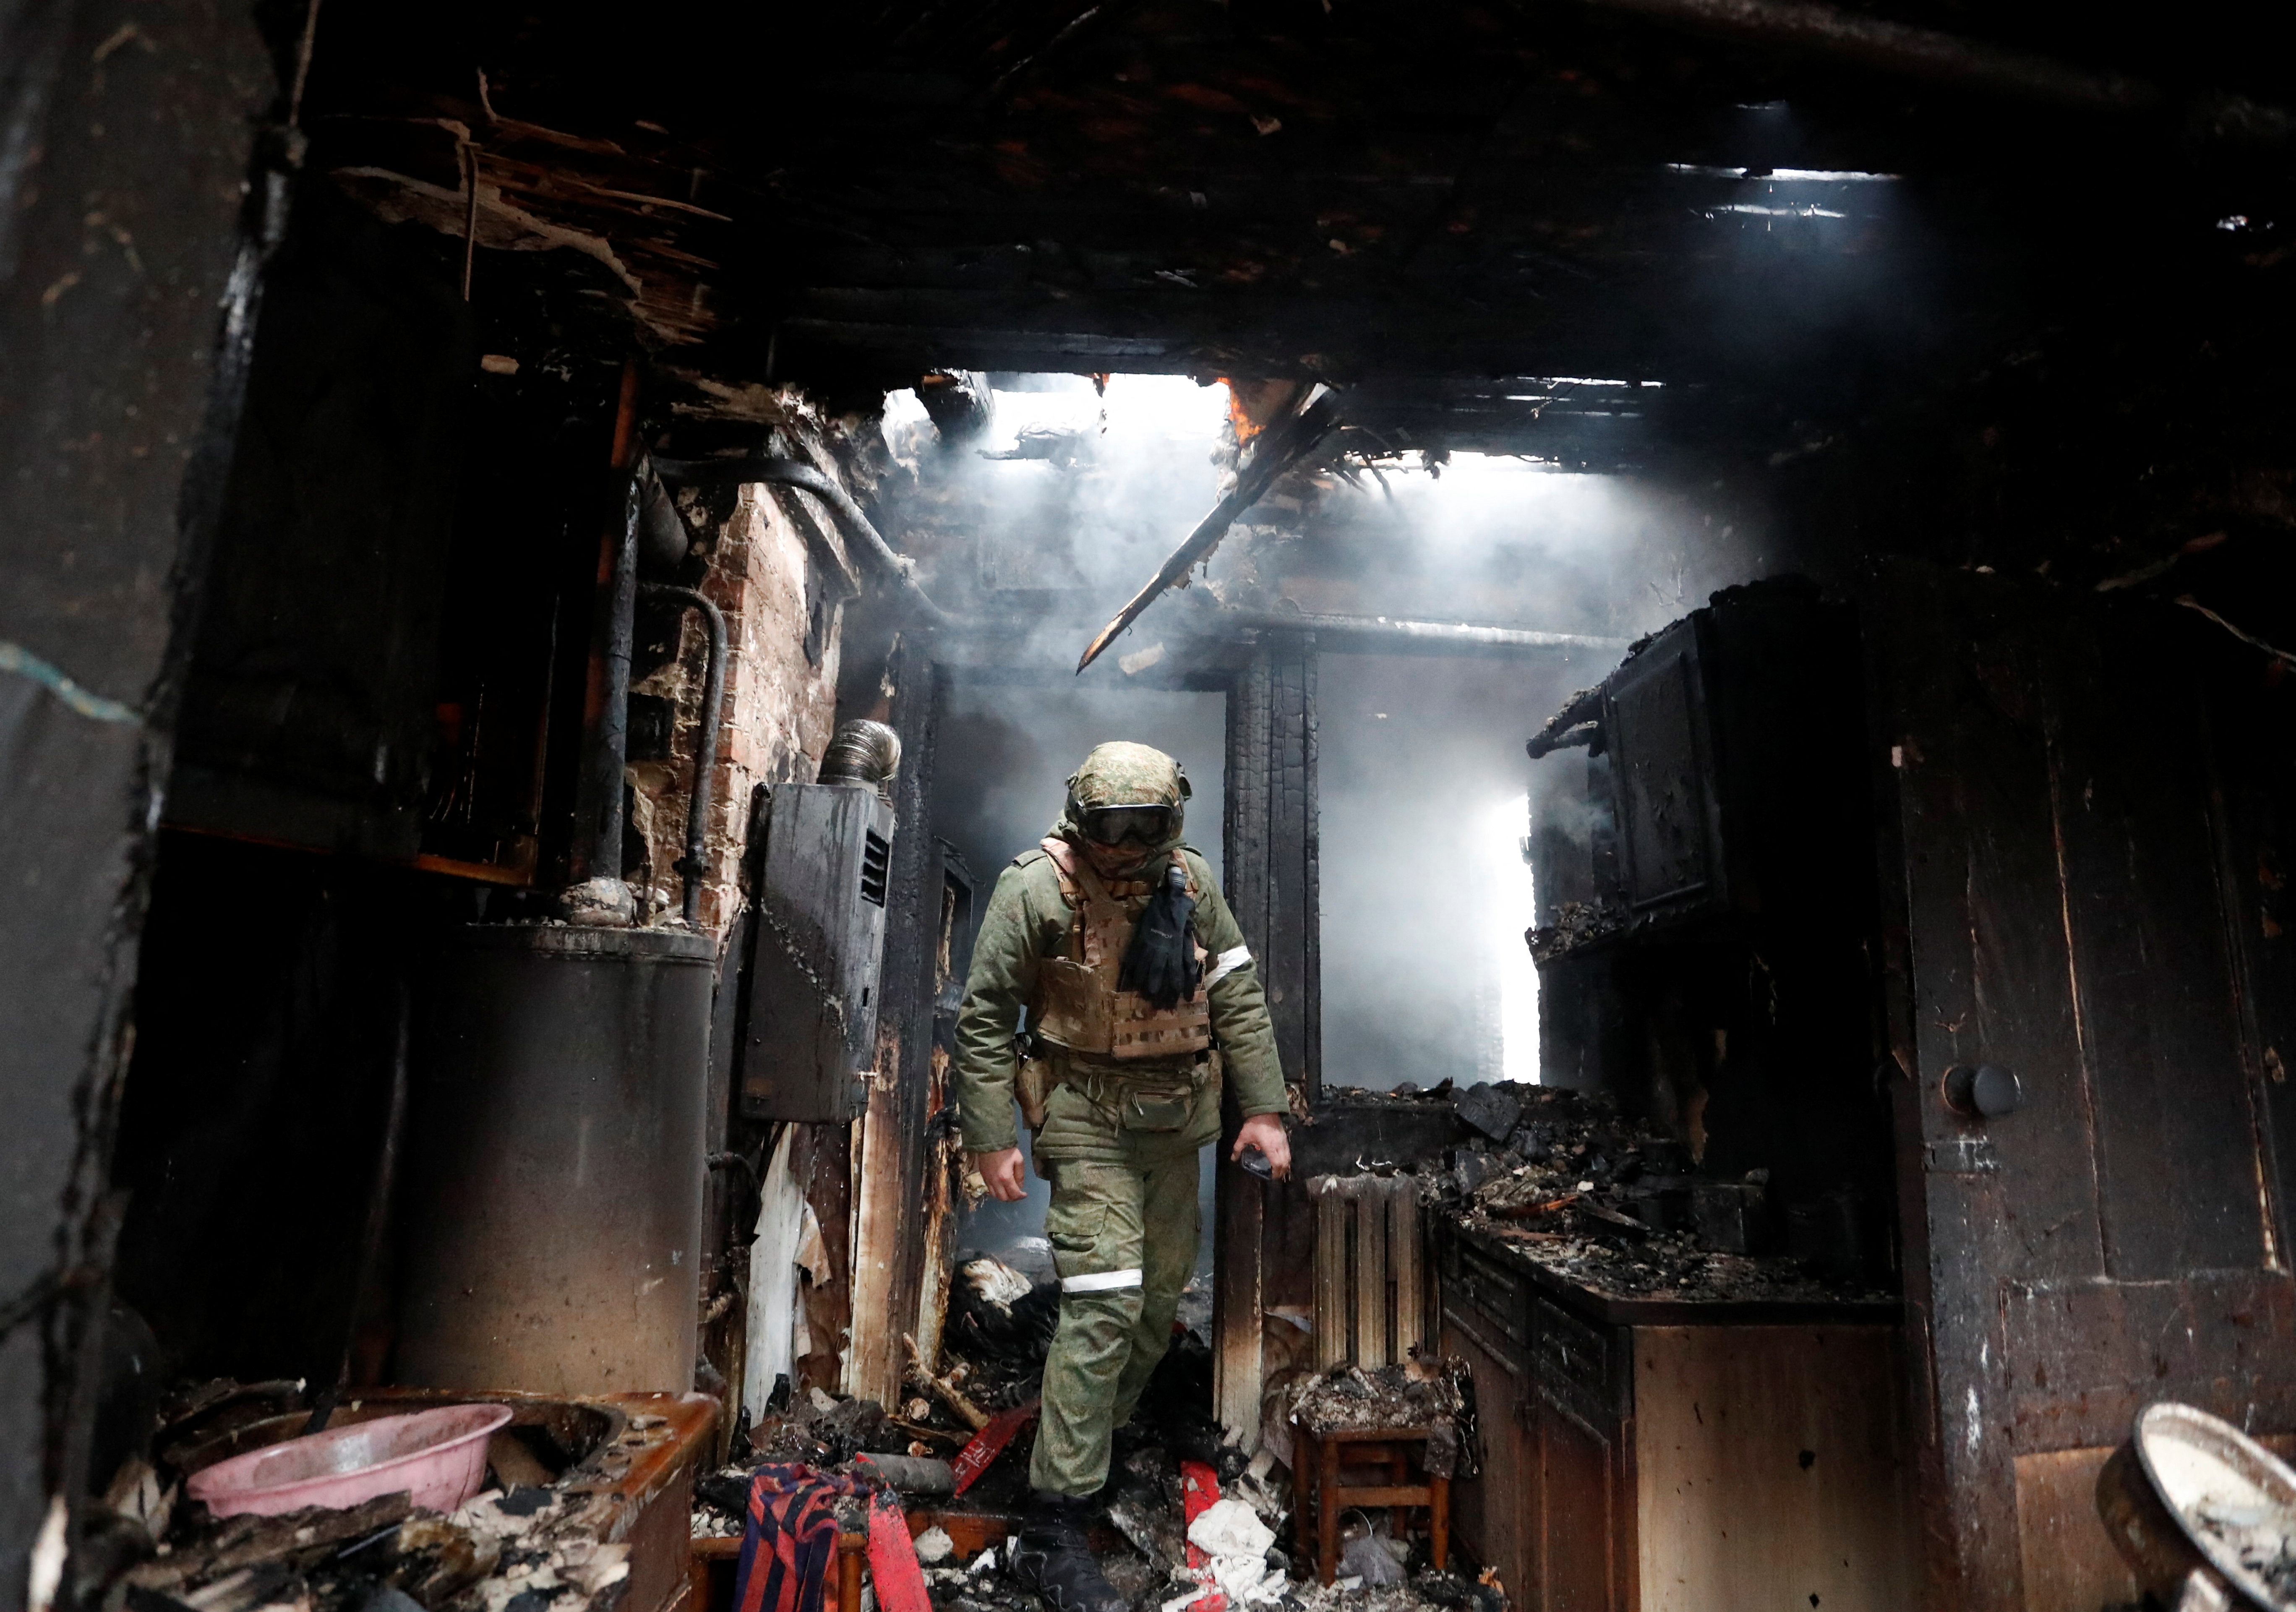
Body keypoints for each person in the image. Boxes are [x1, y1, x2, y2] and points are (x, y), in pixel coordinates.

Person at [953, 741, 1292, 1612]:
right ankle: (1052, 1519)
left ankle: (1087, 1449)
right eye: (1114, 825)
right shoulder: (1033, 886)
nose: (1128, 842)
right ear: (1083, 815)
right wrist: (990, 1133)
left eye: (1147, 824)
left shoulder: (1192, 883)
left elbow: (1239, 996)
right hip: (1086, 1116)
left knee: (1155, 1302)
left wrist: (1263, 1109)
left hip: (1177, 1122)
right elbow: (986, 1016)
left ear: (1171, 817)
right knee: (1104, 1296)